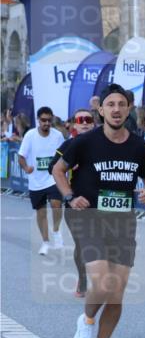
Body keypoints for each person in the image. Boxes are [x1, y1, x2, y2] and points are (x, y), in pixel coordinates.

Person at [51, 83, 145, 338]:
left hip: (122, 222)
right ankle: (86, 323)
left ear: (128, 109)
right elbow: (57, 170)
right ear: (101, 109)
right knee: (101, 282)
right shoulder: (84, 142)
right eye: (110, 104)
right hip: (90, 217)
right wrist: (70, 196)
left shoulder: (140, 146)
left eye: (121, 104)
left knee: (116, 293)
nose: (116, 109)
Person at [50, 109, 97, 297]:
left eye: (88, 119)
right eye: (80, 120)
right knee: (82, 243)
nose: (85, 123)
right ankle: (83, 278)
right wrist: (70, 166)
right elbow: (52, 167)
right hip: (75, 201)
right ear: (74, 124)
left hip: (99, 202)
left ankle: (101, 277)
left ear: (94, 123)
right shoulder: (68, 145)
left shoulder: (102, 144)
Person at [18, 106, 67, 255]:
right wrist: (26, 169)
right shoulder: (30, 135)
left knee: (56, 204)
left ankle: (57, 231)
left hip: (53, 178)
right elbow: (21, 156)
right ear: (38, 120)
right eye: (43, 120)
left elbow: (64, 153)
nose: (46, 123)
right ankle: (45, 242)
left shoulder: (58, 135)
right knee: (41, 213)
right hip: (36, 181)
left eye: (49, 120)